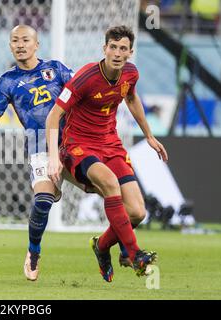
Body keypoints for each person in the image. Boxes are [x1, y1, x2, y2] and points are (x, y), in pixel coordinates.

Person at [46, 25, 168, 282]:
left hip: (111, 144)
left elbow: (131, 97)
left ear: (130, 52)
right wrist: (53, 157)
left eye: (122, 48)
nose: (117, 52)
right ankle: (135, 254)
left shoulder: (131, 73)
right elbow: (54, 115)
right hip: (79, 145)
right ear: (105, 49)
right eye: (112, 47)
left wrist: (148, 135)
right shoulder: (85, 77)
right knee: (111, 184)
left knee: (137, 212)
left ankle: (102, 246)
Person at [0, 25, 75, 281]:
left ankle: (116, 246)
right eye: (14, 41)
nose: (20, 44)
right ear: (10, 46)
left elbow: (81, 92)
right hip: (40, 145)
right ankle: (33, 251)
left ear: (36, 44)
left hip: (73, 144)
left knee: (109, 190)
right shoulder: (6, 81)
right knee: (42, 201)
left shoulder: (57, 69)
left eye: (25, 40)